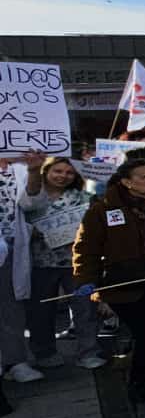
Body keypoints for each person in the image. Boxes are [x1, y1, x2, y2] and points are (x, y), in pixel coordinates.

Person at [72, 158, 145, 402]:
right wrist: (85, 280)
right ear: (127, 182)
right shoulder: (103, 208)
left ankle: (137, 384)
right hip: (123, 284)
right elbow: (85, 248)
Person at [21, 157, 104, 371]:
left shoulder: (84, 197)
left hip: (75, 263)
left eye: (69, 172)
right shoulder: (30, 197)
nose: (63, 176)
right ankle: (45, 352)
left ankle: (89, 352)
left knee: (85, 307)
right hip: (40, 263)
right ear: (46, 171)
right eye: (58, 171)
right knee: (41, 311)